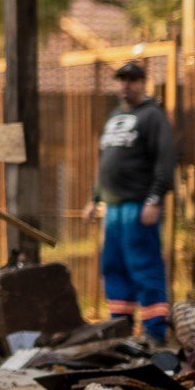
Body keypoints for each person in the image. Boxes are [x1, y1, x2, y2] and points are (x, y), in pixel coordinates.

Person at [83, 60, 177, 345]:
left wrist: (155, 198)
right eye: (122, 79)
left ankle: (154, 331)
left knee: (144, 265)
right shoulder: (114, 117)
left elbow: (165, 160)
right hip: (112, 207)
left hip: (139, 206)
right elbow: (105, 162)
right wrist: (94, 197)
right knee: (114, 265)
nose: (126, 84)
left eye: (132, 79)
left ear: (143, 82)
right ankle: (120, 327)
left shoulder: (152, 116)